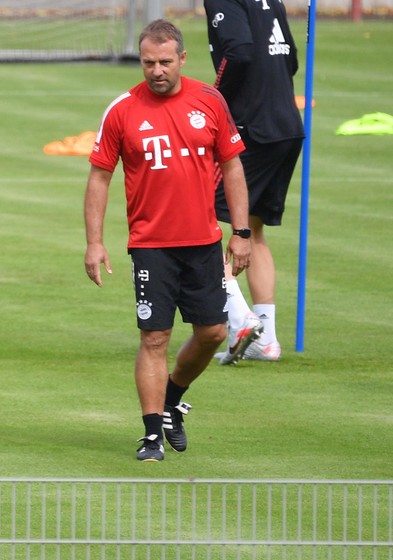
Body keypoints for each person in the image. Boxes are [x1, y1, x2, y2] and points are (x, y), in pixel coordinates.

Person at [83, 20, 251, 462]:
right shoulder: (122, 109)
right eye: (147, 63)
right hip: (151, 245)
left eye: (164, 62)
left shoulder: (209, 100)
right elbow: (100, 177)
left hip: (203, 243)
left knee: (214, 332)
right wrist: (94, 242)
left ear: (182, 59)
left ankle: (173, 397)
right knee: (155, 338)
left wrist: (242, 232)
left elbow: (232, 167)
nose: (156, 71)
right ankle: (151, 434)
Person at [205, 0, 305, 364]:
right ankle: (266, 340)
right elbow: (290, 56)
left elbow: (240, 51)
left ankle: (240, 318)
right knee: (254, 228)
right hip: (287, 127)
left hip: (251, 130)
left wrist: (215, 97)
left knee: (199, 219)